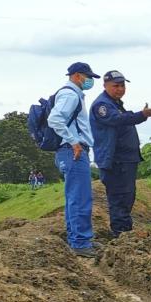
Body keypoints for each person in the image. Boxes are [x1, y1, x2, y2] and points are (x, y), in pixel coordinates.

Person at [90, 70, 151, 238]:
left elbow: (123, 118)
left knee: (127, 197)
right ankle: (121, 235)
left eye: (122, 85)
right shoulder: (102, 105)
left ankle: (125, 233)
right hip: (115, 161)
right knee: (119, 198)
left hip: (126, 160)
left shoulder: (115, 104)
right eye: (116, 86)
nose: (120, 89)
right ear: (105, 86)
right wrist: (141, 115)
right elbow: (117, 120)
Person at [50, 62, 101, 257]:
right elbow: (54, 119)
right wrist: (73, 142)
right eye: (88, 77)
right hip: (74, 152)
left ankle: (78, 239)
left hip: (70, 152)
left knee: (75, 197)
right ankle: (80, 243)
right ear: (78, 75)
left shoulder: (73, 94)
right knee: (80, 197)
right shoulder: (70, 94)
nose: (90, 81)